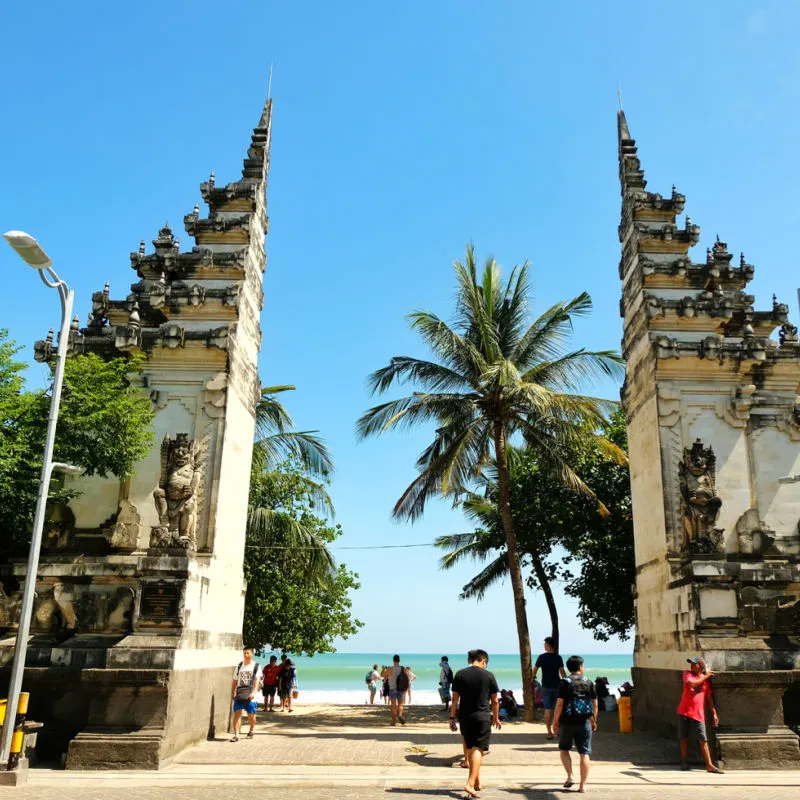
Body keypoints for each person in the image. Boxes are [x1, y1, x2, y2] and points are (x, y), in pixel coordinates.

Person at [449, 649, 501, 799]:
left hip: (464, 717)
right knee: (478, 750)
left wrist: (452, 718)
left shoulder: (460, 674)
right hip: (482, 717)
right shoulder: (489, 675)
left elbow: (454, 700)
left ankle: (477, 782)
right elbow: (495, 701)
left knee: (471, 749)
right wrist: (496, 718)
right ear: (483, 660)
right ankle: (470, 783)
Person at [553, 654, 598, 793]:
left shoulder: (564, 682)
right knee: (584, 753)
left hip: (567, 722)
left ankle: (570, 776)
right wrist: (593, 720)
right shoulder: (589, 682)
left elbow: (560, 704)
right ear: (580, 667)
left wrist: (555, 722)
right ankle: (583, 785)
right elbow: (595, 704)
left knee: (564, 749)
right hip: (584, 721)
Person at [677, 656, 723, 773]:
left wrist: (714, 713)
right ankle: (683, 761)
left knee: (703, 739)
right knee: (683, 738)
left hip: (698, 714)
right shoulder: (687, 674)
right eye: (691, 663)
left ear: (700, 667)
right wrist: (707, 676)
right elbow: (692, 684)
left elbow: (709, 699)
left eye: (694, 664)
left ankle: (709, 764)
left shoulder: (705, 682)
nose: (691, 665)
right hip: (684, 711)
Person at [532, 636, 566, 740]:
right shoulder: (558, 657)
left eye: (545, 644)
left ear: (548, 645)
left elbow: (535, 670)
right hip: (557, 686)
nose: (544, 646)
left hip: (546, 686)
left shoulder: (541, 657)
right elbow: (562, 673)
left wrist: (533, 677)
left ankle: (549, 732)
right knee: (558, 708)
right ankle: (557, 730)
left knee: (547, 709)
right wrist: (567, 682)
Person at [230, 646, 260, 741]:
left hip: (251, 695)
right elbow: (235, 681)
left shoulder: (256, 666)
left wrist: (254, 692)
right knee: (237, 714)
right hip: (240, 693)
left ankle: (251, 730)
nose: (246, 655)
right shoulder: (239, 666)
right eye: (244, 653)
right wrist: (232, 693)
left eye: (248, 653)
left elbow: (257, 681)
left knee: (251, 716)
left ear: (252, 654)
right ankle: (237, 735)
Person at [381, 655, 407, 726]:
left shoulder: (390, 669)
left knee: (393, 705)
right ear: (399, 660)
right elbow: (406, 678)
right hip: (401, 689)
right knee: (400, 704)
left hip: (392, 688)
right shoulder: (403, 668)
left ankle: (394, 721)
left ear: (393, 660)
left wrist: (383, 669)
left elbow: (382, 675)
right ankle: (400, 715)